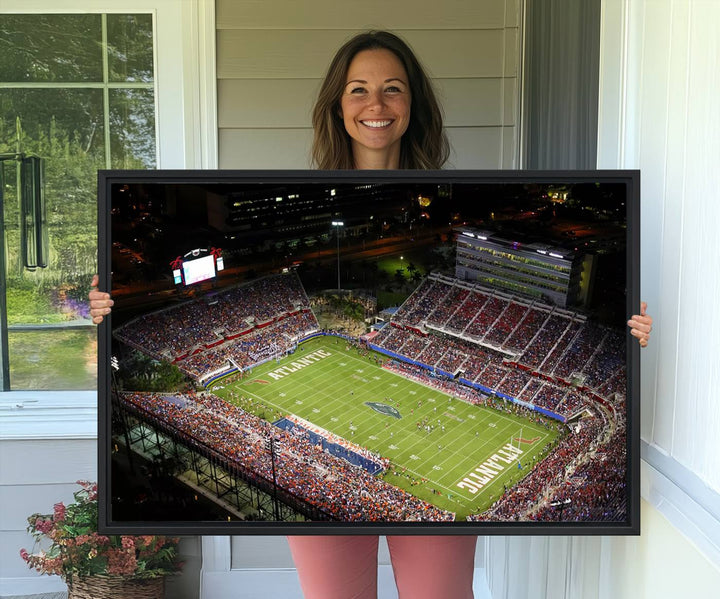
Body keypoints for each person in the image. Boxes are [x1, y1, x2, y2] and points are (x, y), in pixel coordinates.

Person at [89, 30, 653, 599]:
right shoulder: (301, 189)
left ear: (414, 105)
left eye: (393, 89)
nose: (376, 105)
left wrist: (629, 335)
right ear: (337, 105)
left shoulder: (447, 190)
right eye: (358, 90)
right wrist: (104, 308)